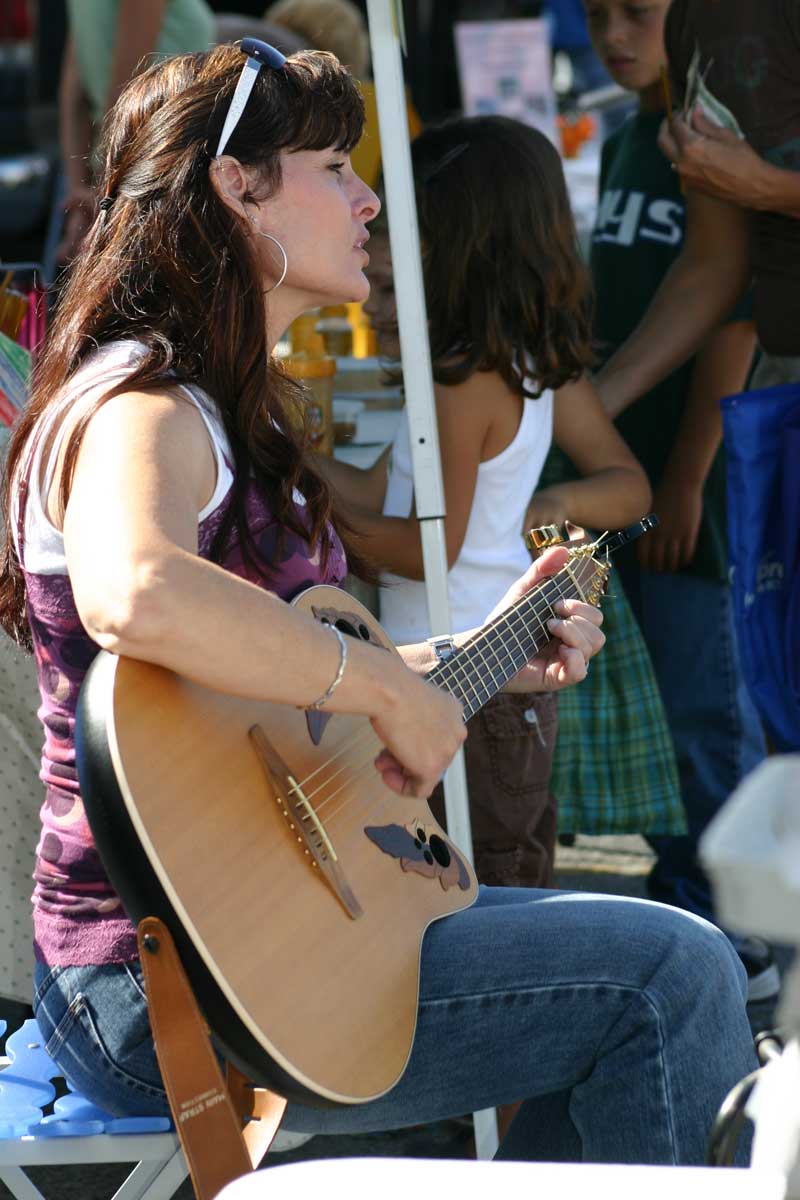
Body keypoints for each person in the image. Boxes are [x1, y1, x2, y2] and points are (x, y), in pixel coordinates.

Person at [0, 39, 756, 1163]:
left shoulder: (207, 405)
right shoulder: (145, 404)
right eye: (331, 169)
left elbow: (249, 688)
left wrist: (474, 657)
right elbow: (136, 591)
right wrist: (381, 691)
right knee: (673, 975)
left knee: (653, 973)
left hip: (238, 942)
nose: (365, 200)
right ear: (234, 187)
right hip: (160, 981)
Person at [320, 115, 651, 891]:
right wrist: (296, 465)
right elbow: (387, 492)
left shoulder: (460, 381)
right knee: (512, 877)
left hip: (464, 680)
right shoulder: (521, 363)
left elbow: (423, 547)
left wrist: (313, 522)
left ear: (452, 246)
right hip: (502, 681)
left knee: (471, 898)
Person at [584, 0, 788, 995]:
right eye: (594, 12)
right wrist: (589, 405)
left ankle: (740, 934)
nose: (612, 32)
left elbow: (732, 322)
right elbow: (713, 274)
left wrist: (766, 186)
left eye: (634, 11)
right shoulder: (664, 110)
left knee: (713, 717)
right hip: (734, 435)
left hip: (712, 459)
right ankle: (728, 932)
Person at [58, 0, 216, 263]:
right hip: (164, 181)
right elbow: (127, 87)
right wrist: (101, 198)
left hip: (130, 178)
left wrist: (82, 196)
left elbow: (73, 95)